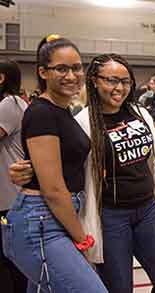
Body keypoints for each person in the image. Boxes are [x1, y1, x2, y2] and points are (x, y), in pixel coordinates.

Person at [11, 53, 155, 293]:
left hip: (148, 211)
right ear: (94, 80)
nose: (119, 88)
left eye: (125, 82)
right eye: (111, 80)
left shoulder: (140, 113)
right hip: (110, 218)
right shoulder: (81, 122)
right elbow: (61, 169)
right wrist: (24, 173)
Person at [1, 36, 108, 292]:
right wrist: (82, 240)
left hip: (53, 218)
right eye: (61, 69)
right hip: (40, 222)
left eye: (76, 68)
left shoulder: (63, 111)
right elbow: (54, 190)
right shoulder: (41, 113)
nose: (71, 75)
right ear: (42, 72)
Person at [0, 59, 28, 293]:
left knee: (10, 262)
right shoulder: (16, 103)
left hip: (8, 200)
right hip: (10, 196)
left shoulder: (9, 104)